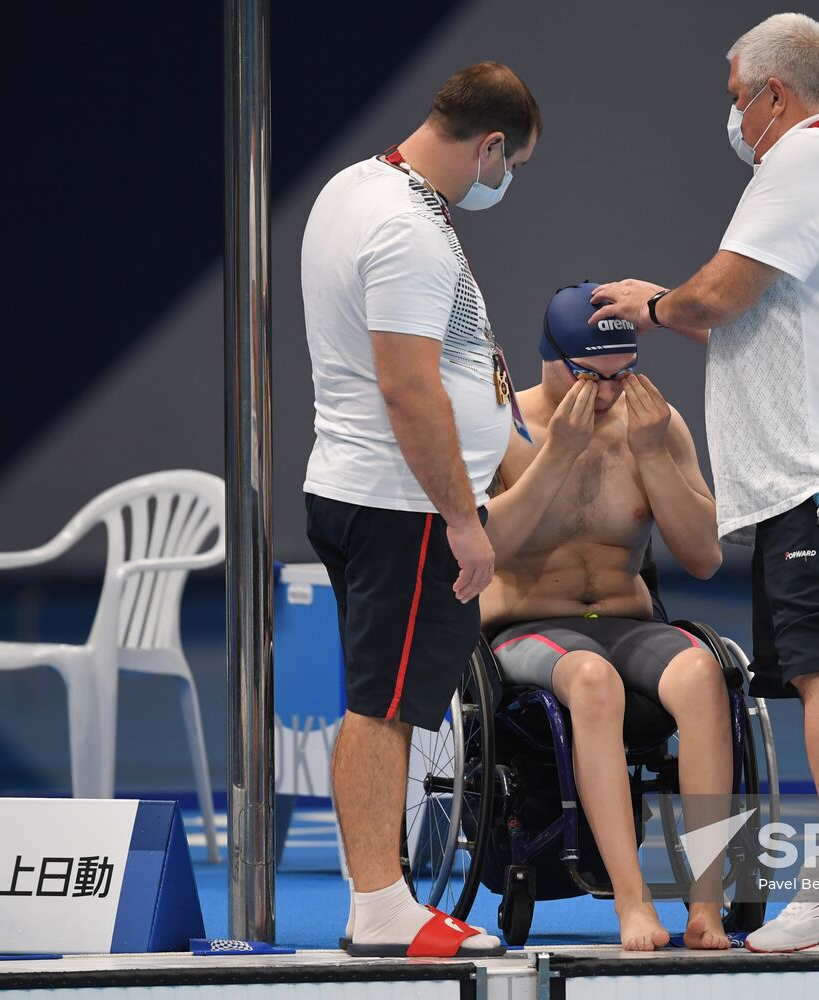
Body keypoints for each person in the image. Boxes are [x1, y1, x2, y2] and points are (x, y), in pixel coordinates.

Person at [587, 14, 819, 952]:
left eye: (736, 97)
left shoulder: (810, 161)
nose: (732, 116)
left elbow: (719, 295)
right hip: (814, 477)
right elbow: (747, 319)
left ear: (774, 95)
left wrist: (654, 306)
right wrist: (663, 307)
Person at [300, 62, 540, 959]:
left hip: (364, 487)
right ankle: (380, 906)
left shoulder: (355, 188)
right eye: (508, 164)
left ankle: (383, 895)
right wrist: (464, 519)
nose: (502, 182)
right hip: (404, 505)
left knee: (383, 701)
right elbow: (407, 390)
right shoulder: (406, 229)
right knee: (383, 707)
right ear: (487, 147)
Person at [481, 283, 729, 951]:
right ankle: (632, 901)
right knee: (591, 680)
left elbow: (703, 557)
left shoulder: (655, 424)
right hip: (526, 627)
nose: (608, 395)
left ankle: (706, 902)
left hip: (626, 619)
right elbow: (485, 552)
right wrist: (556, 455)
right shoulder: (499, 424)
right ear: (551, 359)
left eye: (624, 377)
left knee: (704, 676)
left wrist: (652, 456)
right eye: (591, 377)